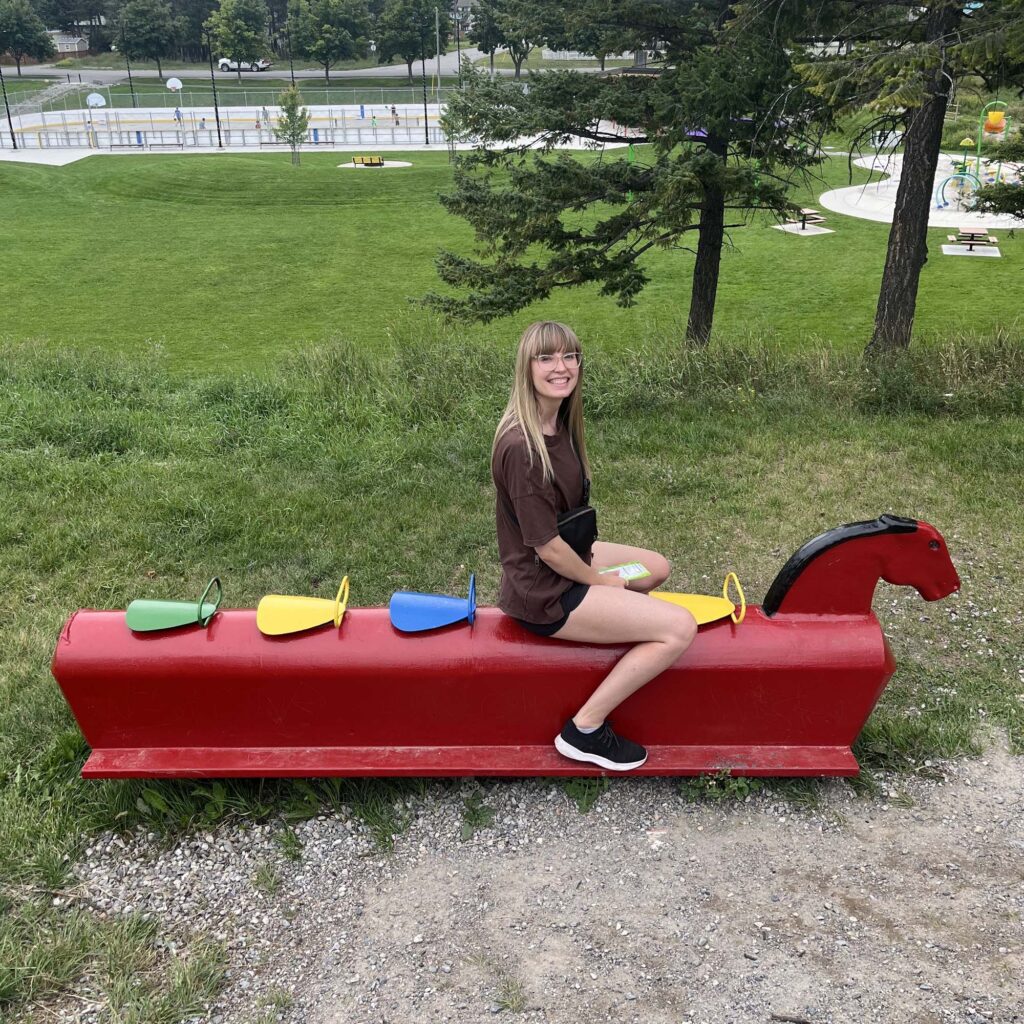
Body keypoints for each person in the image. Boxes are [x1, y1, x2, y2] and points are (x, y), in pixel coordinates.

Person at [492, 321, 697, 772]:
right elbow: (546, 547)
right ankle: (584, 728)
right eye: (545, 358)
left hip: (571, 557)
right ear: (526, 368)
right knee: (680, 628)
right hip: (547, 591)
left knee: (654, 569)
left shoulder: (559, 422)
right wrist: (599, 582)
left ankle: (616, 636)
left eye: (569, 356)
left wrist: (602, 577)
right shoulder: (522, 447)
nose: (560, 367)